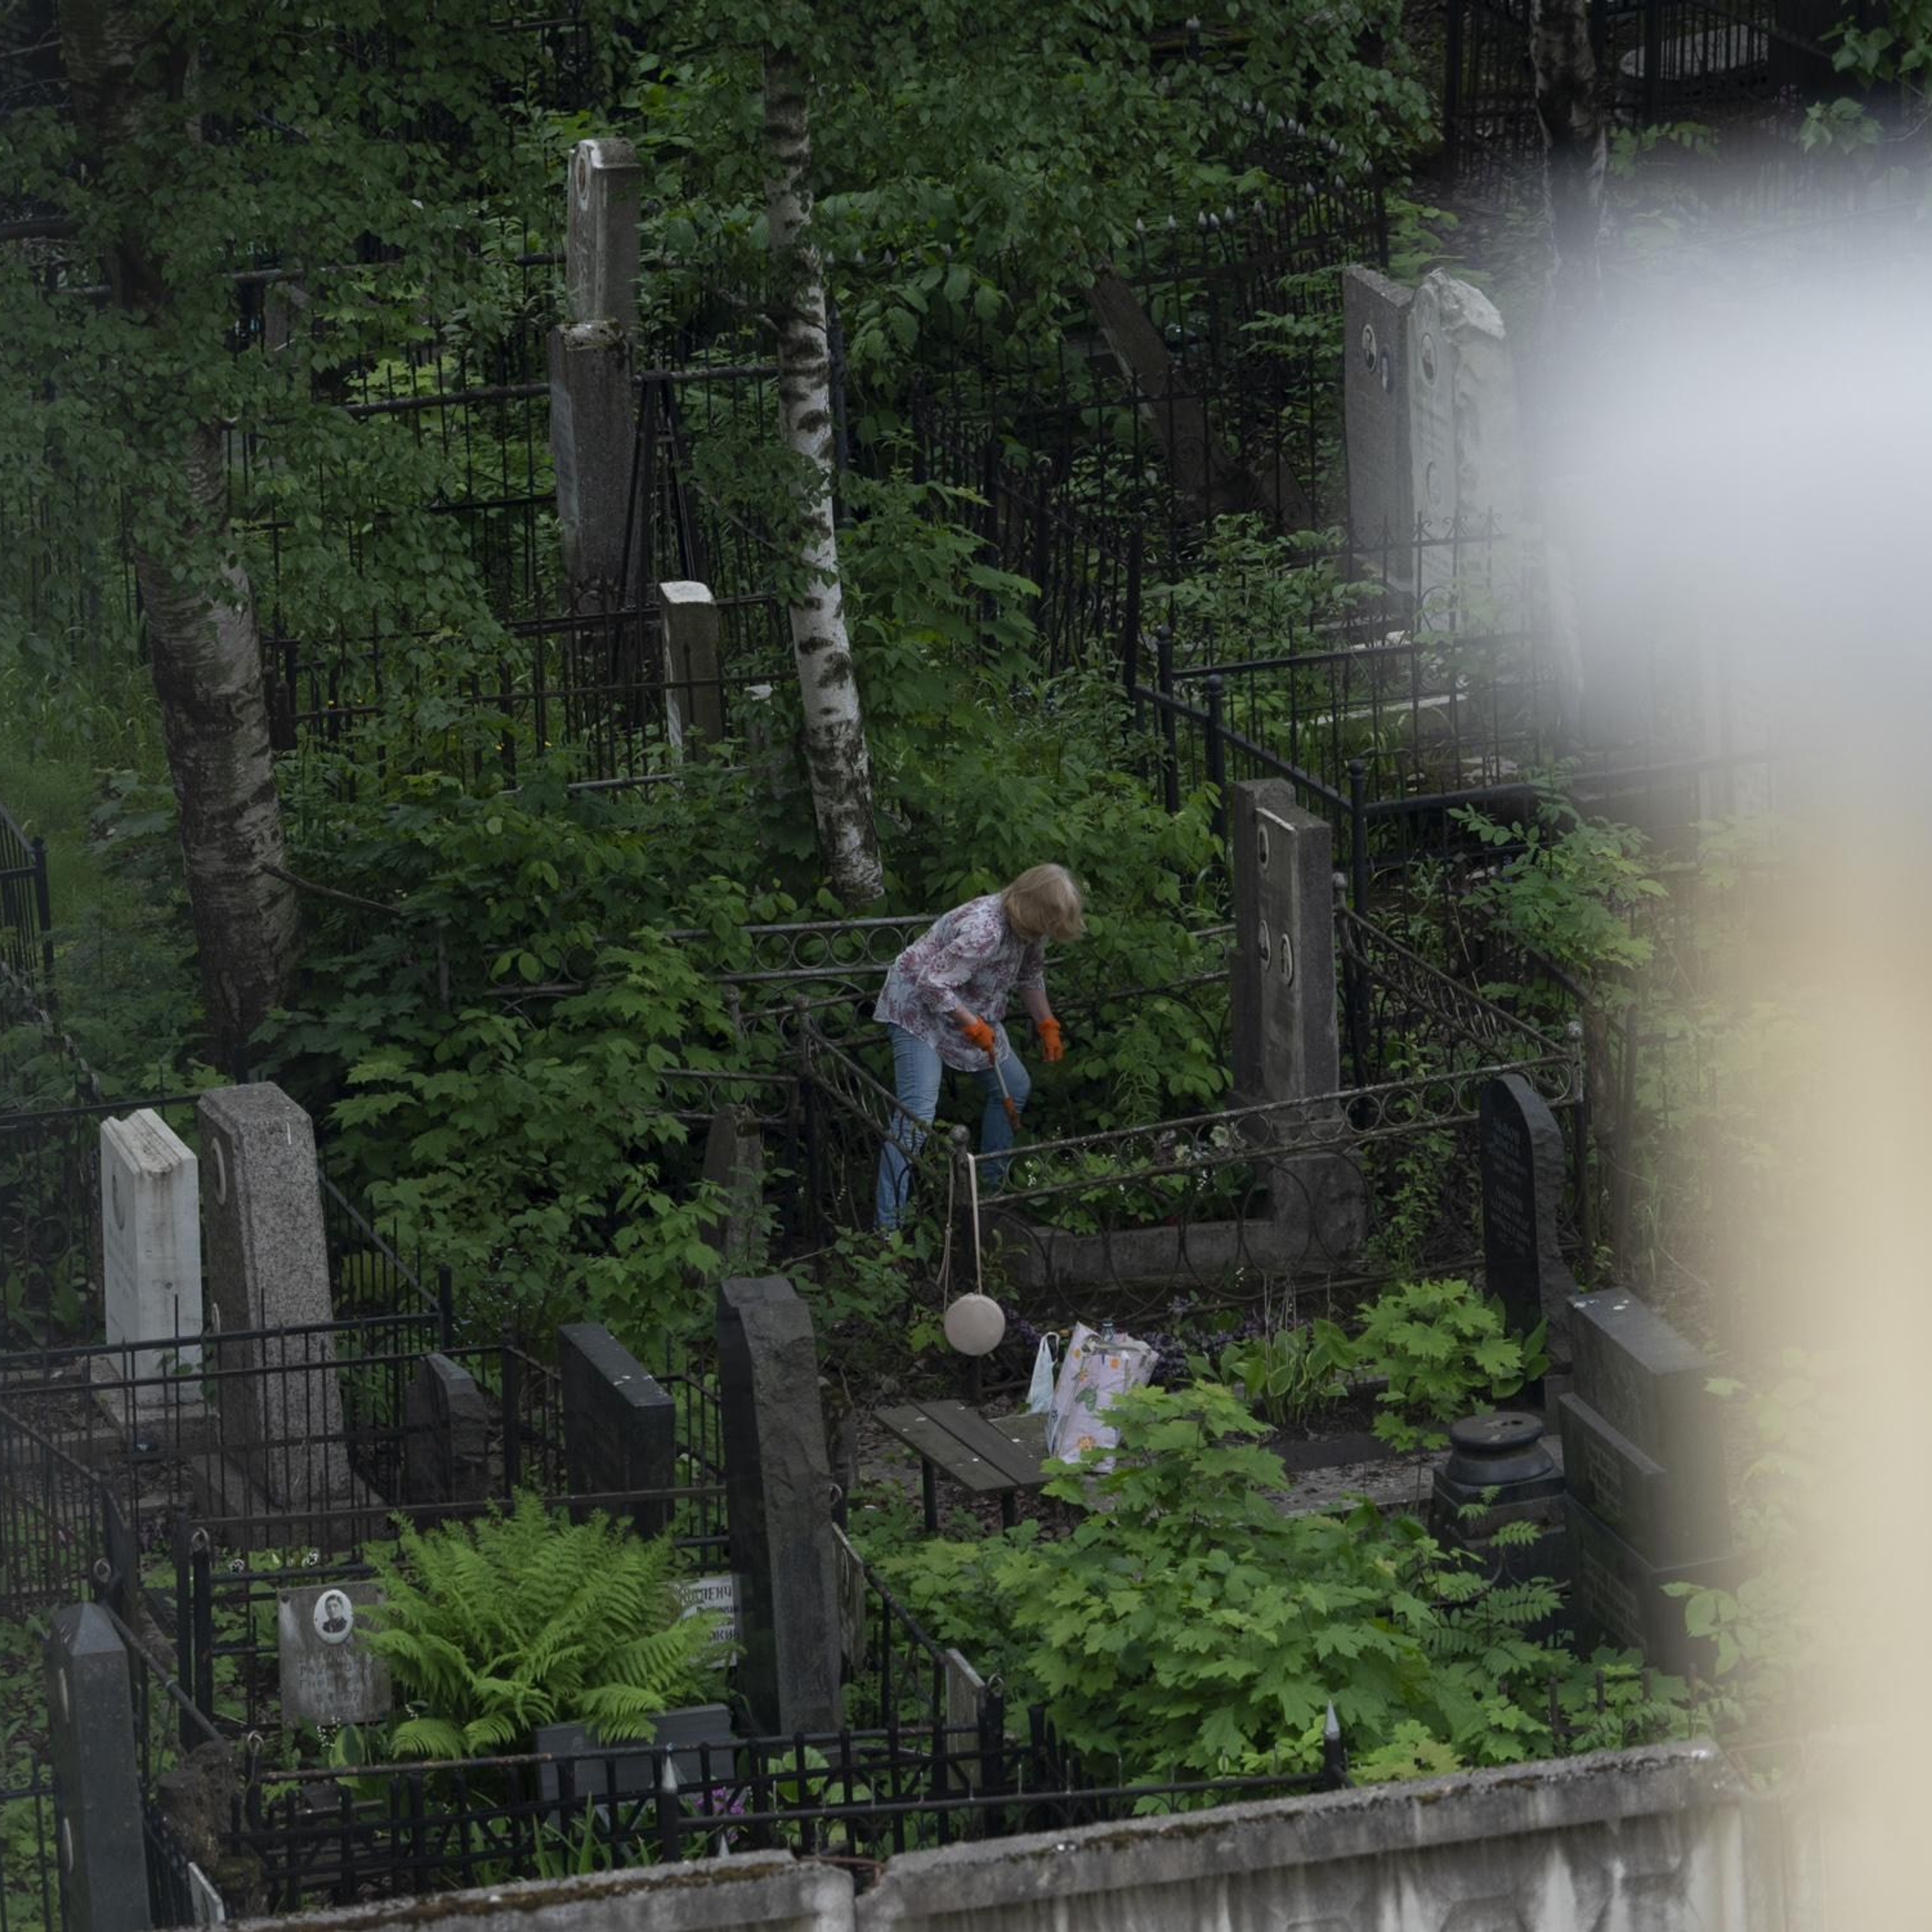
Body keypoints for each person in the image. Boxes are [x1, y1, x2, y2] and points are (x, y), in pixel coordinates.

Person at [873, 864, 1084, 1229]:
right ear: (1033, 908)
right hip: (917, 1010)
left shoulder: (1031, 929)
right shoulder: (985, 930)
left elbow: (1030, 976)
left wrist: (1047, 1025)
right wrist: (972, 1025)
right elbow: (931, 983)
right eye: (1049, 923)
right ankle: (887, 1231)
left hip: (967, 1009)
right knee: (916, 1115)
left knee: (1014, 1086)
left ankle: (989, 1196)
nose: (1049, 932)